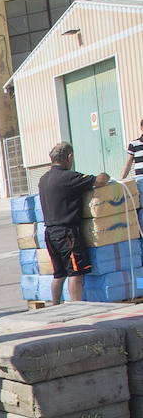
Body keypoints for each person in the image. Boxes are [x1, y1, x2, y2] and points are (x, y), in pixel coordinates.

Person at [38, 142, 109, 305]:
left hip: (50, 232)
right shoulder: (69, 178)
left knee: (59, 274)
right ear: (69, 157)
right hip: (67, 233)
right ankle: (76, 308)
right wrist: (105, 175)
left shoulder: (43, 179)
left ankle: (55, 306)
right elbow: (99, 181)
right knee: (75, 273)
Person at [121, 118, 143, 185]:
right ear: (141, 128)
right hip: (140, 179)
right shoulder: (134, 144)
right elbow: (128, 164)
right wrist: (121, 180)